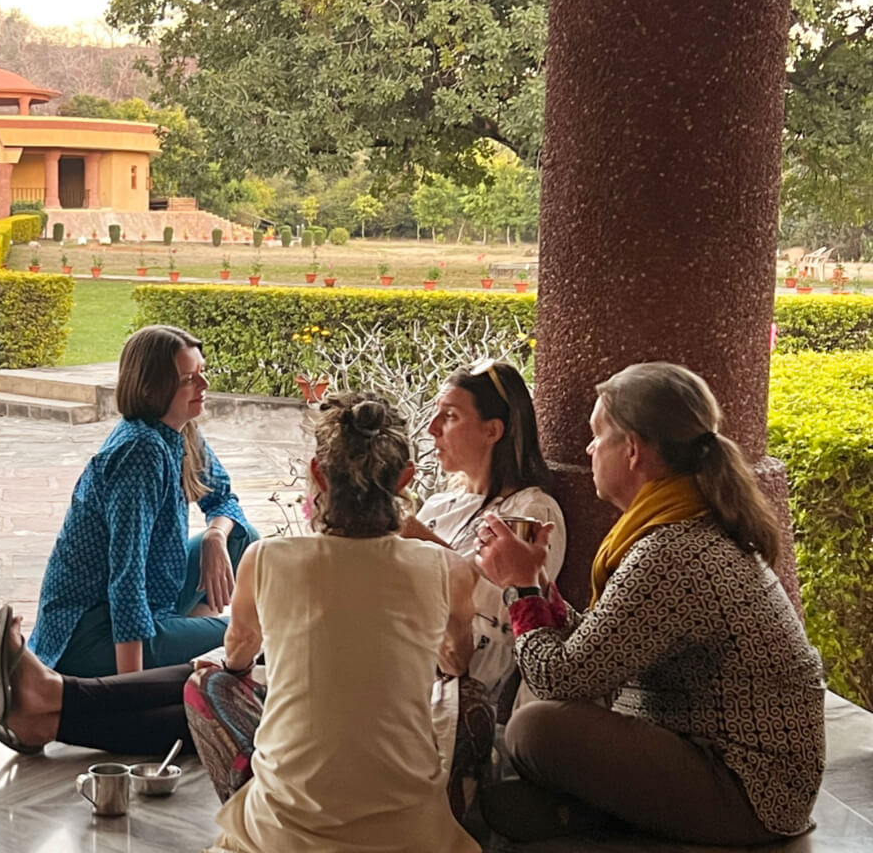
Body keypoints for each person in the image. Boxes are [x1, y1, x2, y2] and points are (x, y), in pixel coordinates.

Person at [475, 362, 825, 845]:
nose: (589, 449)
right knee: (526, 768)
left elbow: (560, 679)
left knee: (533, 729)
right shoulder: (681, 527)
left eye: (598, 435)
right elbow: (605, 648)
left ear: (634, 450)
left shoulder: (670, 552)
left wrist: (520, 588)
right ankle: (599, 815)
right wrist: (536, 579)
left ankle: (598, 815)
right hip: (725, 765)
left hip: (751, 792)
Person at [190, 392, 480, 853]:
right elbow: (457, 661)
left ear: (317, 473)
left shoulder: (266, 558)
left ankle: (259, 788)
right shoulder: (447, 569)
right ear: (406, 479)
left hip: (284, 833)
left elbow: (239, 648)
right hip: (409, 834)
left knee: (209, 683)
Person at [23, 325, 259, 680]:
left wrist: (214, 536)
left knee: (241, 538)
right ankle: (163, 655)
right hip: (91, 634)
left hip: (153, 602)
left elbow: (224, 499)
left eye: (202, 372)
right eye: (187, 380)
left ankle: (176, 640)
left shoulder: (181, 431)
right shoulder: (141, 451)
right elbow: (126, 574)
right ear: (152, 388)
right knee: (257, 637)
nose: (204, 386)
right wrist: (127, 688)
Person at [401, 358, 567, 819]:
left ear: (493, 430)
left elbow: (510, 602)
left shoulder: (532, 510)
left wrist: (423, 544)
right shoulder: (440, 503)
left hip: (472, 677)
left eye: (450, 416)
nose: (432, 428)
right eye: (436, 413)